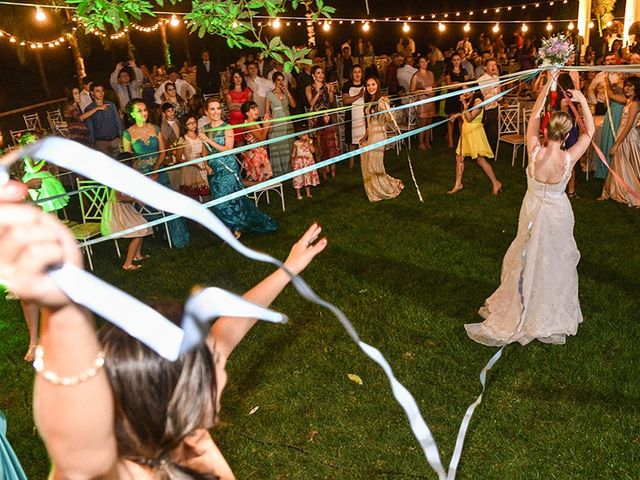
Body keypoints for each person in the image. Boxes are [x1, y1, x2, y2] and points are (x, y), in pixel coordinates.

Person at [0, 179, 325, 478]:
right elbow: (75, 451)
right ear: (176, 395)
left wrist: (290, 267)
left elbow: (231, 326)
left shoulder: (182, 425)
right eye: (212, 364)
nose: (219, 359)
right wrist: (59, 310)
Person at [465, 74, 595, 346]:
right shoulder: (568, 158)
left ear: (546, 130)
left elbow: (534, 114)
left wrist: (549, 82)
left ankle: (523, 303)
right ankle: (546, 309)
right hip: (557, 213)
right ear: (568, 133)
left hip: (533, 209)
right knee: (554, 259)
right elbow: (590, 132)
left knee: (526, 254)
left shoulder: (534, 150)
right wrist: (581, 99)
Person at [200, 97, 277, 236]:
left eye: (218, 108)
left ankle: (236, 228)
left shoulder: (227, 127)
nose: (216, 111)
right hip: (214, 171)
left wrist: (208, 140)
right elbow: (204, 150)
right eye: (212, 109)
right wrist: (206, 164)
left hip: (228, 169)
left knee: (225, 201)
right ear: (206, 112)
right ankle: (235, 227)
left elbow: (228, 149)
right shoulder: (204, 129)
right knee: (218, 201)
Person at [122, 99, 190, 249]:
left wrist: (156, 169)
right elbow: (127, 159)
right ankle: (151, 234)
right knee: (147, 206)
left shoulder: (155, 128)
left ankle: (175, 236)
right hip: (141, 175)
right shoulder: (128, 134)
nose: (144, 113)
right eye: (139, 111)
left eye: (145, 109)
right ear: (132, 114)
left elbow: (162, 151)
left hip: (158, 171)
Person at [100, 153, 153, 271]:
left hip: (124, 207)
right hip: (118, 209)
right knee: (140, 230)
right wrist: (133, 199)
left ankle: (137, 255)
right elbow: (118, 196)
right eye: (134, 161)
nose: (136, 163)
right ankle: (127, 264)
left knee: (142, 226)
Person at [447, 90, 502, 195]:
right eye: (464, 90)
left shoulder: (478, 102)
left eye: (467, 90)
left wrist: (463, 103)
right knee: (459, 157)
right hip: (466, 132)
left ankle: (496, 183)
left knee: (480, 160)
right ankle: (458, 184)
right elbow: (465, 114)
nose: (465, 93)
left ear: (474, 90)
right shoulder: (471, 101)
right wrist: (457, 115)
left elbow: (470, 118)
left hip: (474, 133)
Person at [358, 76, 404, 202]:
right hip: (371, 135)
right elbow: (369, 123)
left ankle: (385, 189)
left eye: (373, 84)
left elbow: (389, 118)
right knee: (369, 165)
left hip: (379, 137)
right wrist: (364, 137)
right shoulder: (369, 101)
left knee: (375, 166)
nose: (370, 87)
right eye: (368, 85)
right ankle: (374, 191)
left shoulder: (381, 101)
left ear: (377, 86)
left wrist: (387, 106)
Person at [598, 76, 640, 207]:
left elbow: (628, 126)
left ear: (636, 88)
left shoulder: (635, 104)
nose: (626, 88)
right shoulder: (628, 101)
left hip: (628, 137)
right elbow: (611, 95)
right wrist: (606, 80)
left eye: (630, 86)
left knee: (627, 164)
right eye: (625, 85)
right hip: (622, 136)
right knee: (618, 164)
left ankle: (633, 194)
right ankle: (614, 191)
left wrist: (616, 144)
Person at [306, 66, 341, 180]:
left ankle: (332, 170)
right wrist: (318, 93)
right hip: (316, 119)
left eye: (322, 73)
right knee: (319, 147)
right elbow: (311, 103)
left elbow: (330, 101)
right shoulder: (309, 88)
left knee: (329, 144)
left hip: (326, 118)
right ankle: (322, 171)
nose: (321, 75)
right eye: (318, 73)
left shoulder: (327, 86)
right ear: (313, 75)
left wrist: (330, 92)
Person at [265, 71, 296, 176]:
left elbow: (293, 105)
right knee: (279, 145)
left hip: (287, 121)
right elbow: (266, 113)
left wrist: (286, 90)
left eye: (282, 80)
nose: (281, 82)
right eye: (278, 80)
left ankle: (289, 168)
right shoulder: (269, 94)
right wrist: (268, 126)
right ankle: (280, 170)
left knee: (289, 144)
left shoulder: (285, 93)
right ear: (274, 81)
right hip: (277, 122)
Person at [84, 82, 123, 158]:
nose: (101, 93)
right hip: (101, 142)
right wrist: (93, 144)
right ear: (92, 93)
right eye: (97, 91)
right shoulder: (89, 109)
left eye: (102, 91)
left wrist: (121, 136)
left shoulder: (110, 105)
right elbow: (90, 128)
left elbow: (117, 121)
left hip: (115, 139)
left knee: (121, 162)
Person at [178, 115, 211, 199]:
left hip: (202, 167)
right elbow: (178, 158)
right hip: (189, 169)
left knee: (207, 195)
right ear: (185, 126)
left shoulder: (200, 136)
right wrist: (192, 164)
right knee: (193, 197)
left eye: (194, 122)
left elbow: (204, 153)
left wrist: (206, 165)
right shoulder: (183, 139)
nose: (193, 125)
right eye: (190, 123)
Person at [241, 101, 273, 183]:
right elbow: (261, 139)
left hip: (259, 151)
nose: (257, 111)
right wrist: (266, 126)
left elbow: (264, 135)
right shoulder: (249, 125)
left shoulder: (254, 123)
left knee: (264, 178)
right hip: (254, 154)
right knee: (259, 178)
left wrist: (268, 124)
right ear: (247, 113)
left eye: (257, 108)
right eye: (254, 109)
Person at [341, 65, 366, 168]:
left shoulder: (365, 85)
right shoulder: (347, 85)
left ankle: (364, 163)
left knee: (364, 140)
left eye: (359, 72)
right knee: (351, 141)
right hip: (352, 116)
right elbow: (345, 100)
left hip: (363, 116)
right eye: (355, 72)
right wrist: (358, 96)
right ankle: (351, 163)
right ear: (352, 74)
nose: (357, 74)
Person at [409, 56, 436, 150]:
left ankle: (427, 142)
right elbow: (411, 91)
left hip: (431, 100)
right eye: (421, 62)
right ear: (418, 64)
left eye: (425, 61)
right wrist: (423, 91)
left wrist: (432, 92)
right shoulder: (416, 76)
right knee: (422, 122)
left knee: (429, 121)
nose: (424, 64)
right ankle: (421, 143)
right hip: (422, 101)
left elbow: (434, 86)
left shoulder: (431, 74)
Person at [444, 53, 469, 148]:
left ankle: (462, 141)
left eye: (458, 59)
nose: (456, 61)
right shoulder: (448, 71)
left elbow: (466, 84)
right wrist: (459, 84)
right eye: (454, 60)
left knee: (461, 119)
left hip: (461, 97)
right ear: (451, 61)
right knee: (451, 120)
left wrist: (457, 84)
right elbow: (449, 85)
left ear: (460, 60)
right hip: (451, 98)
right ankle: (450, 141)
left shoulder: (464, 71)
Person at [477, 57, 500, 151]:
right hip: (485, 108)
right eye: (490, 65)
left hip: (494, 107)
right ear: (485, 67)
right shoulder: (481, 80)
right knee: (485, 131)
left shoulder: (497, 78)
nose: (493, 67)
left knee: (493, 132)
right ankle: (483, 151)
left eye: (494, 64)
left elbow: (498, 92)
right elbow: (482, 95)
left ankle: (491, 151)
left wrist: (500, 101)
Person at [291, 128, 320, 199]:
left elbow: (313, 151)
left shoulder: (310, 141)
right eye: (303, 134)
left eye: (306, 134)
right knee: (298, 177)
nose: (305, 135)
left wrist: (309, 143)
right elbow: (293, 154)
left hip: (308, 162)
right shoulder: (296, 143)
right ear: (299, 135)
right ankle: (298, 194)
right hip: (299, 162)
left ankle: (308, 193)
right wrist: (292, 162)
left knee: (307, 176)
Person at [225, 69, 253, 141]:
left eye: (240, 77)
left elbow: (250, 106)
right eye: (235, 77)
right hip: (234, 122)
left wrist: (235, 104)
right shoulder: (229, 92)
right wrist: (244, 105)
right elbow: (230, 107)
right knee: (238, 144)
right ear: (232, 79)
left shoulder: (248, 90)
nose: (238, 79)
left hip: (246, 120)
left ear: (242, 78)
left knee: (248, 142)